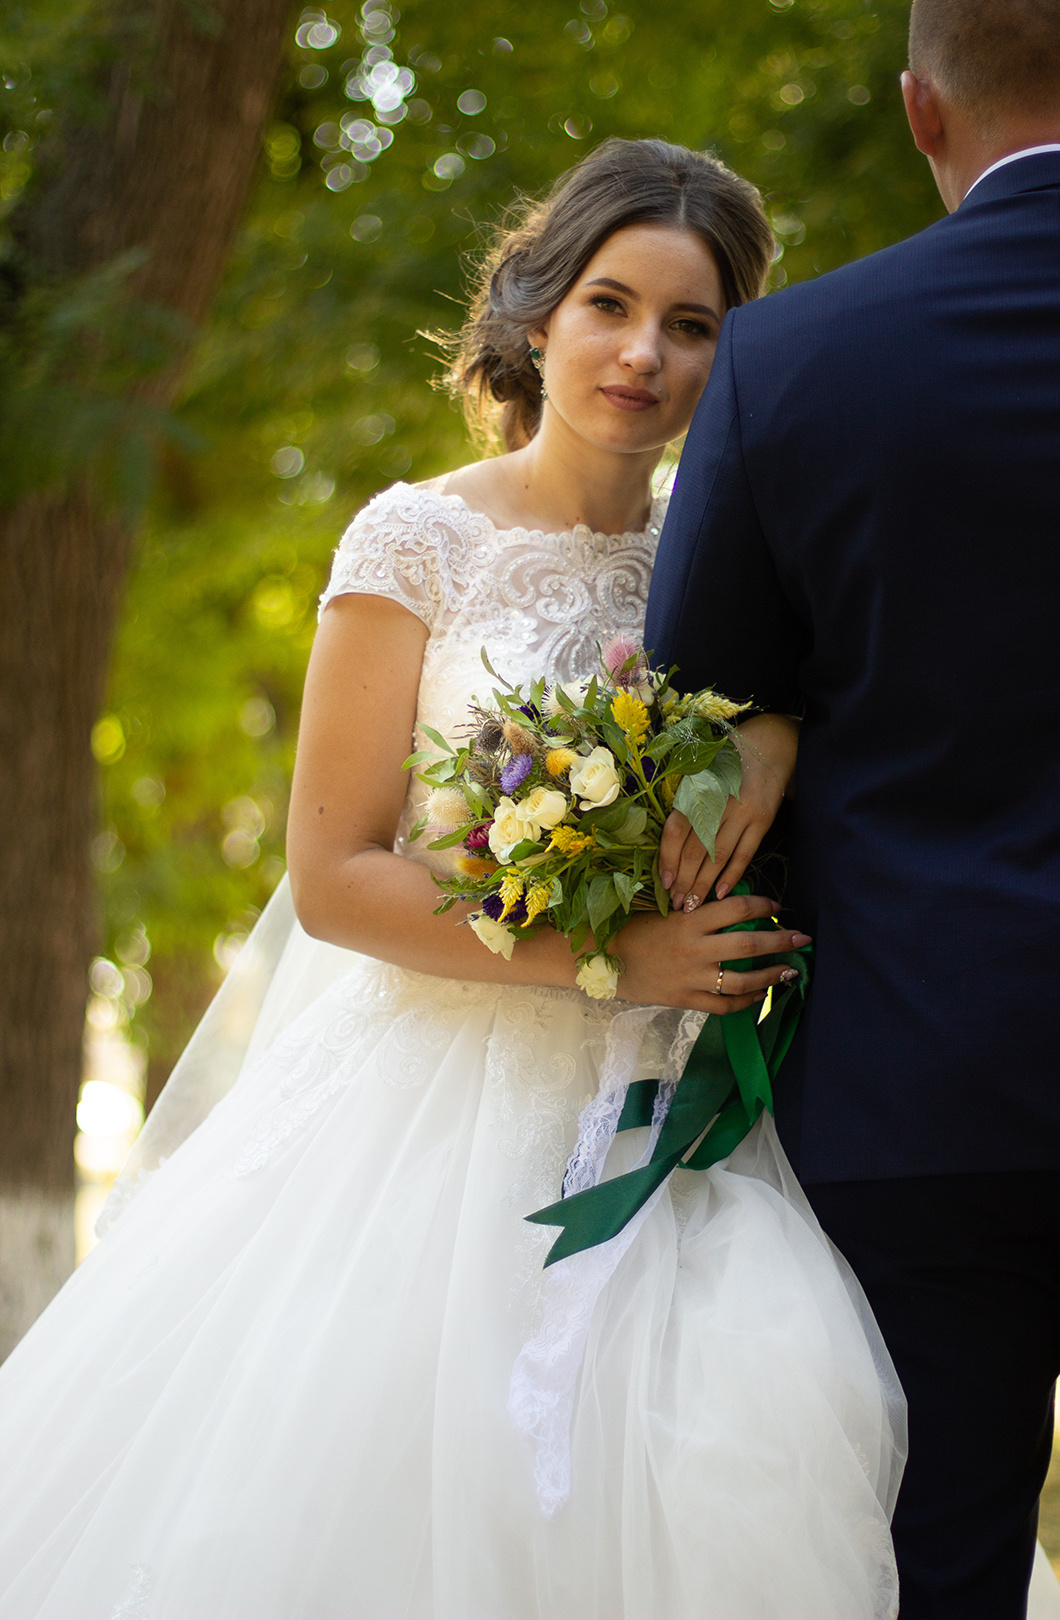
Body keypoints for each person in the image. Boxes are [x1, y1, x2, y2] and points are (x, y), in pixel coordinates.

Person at [0, 139, 906, 1618]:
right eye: (611, 303)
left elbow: (800, 725)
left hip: (665, 1121)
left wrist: (780, 733)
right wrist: (610, 961)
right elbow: (338, 873)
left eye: (694, 328)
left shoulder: (733, 558)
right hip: (427, 1111)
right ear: (536, 311)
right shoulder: (417, 539)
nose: (642, 353)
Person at [644, 3, 1060, 1616]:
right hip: (922, 1084)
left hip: (921, 1079)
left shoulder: (798, 352)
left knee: (938, 1571)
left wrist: (776, 707)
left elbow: (687, 705)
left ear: (921, 112)